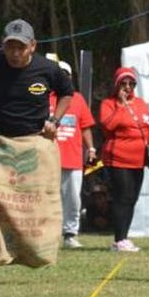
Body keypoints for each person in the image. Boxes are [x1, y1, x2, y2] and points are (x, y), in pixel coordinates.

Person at [0, 20, 74, 267]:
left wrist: (54, 120)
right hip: (1, 143)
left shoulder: (48, 68)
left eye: (21, 48)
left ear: (33, 46)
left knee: (39, 199)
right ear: (2, 46)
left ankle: (41, 252)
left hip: (36, 142)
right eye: (10, 48)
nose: (15, 54)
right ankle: (0, 251)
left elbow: (67, 93)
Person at [99, 67, 149, 252]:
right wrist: (122, 105)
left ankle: (123, 237)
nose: (127, 87)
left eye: (131, 83)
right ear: (117, 84)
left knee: (131, 198)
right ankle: (119, 239)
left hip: (138, 159)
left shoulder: (141, 104)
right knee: (122, 197)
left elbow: (148, 132)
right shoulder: (108, 103)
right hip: (117, 159)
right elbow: (107, 126)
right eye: (123, 83)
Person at [51, 61, 97, 249]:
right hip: (49, 159)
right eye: (59, 74)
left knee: (73, 198)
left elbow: (85, 126)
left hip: (73, 158)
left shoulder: (77, 99)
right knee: (51, 197)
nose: (63, 78)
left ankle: (70, 233)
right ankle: (51, 233)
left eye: (66, 75)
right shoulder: (45, 98)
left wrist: (91, 148)